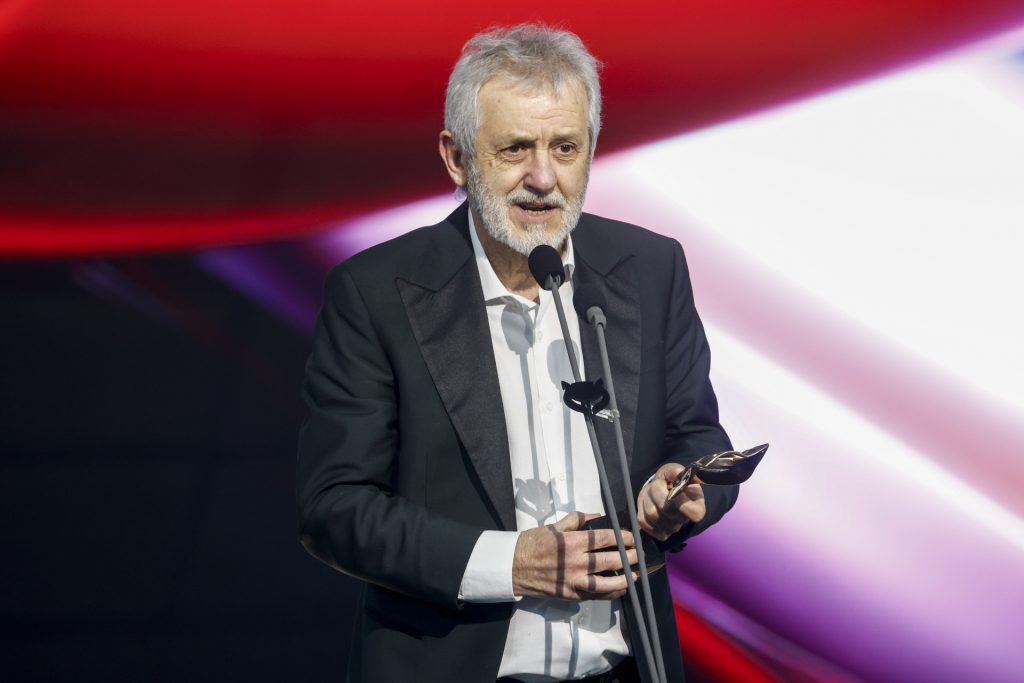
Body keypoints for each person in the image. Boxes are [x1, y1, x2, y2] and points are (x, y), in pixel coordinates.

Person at [297, 24, 737, 683]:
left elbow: (699, 435)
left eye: (565, 147)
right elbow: (335, 508)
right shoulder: (375, 292)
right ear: (456, 157)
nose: (543, 178)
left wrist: (683, 488)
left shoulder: (650, 267)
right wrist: (511, 563)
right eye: (515, 149)